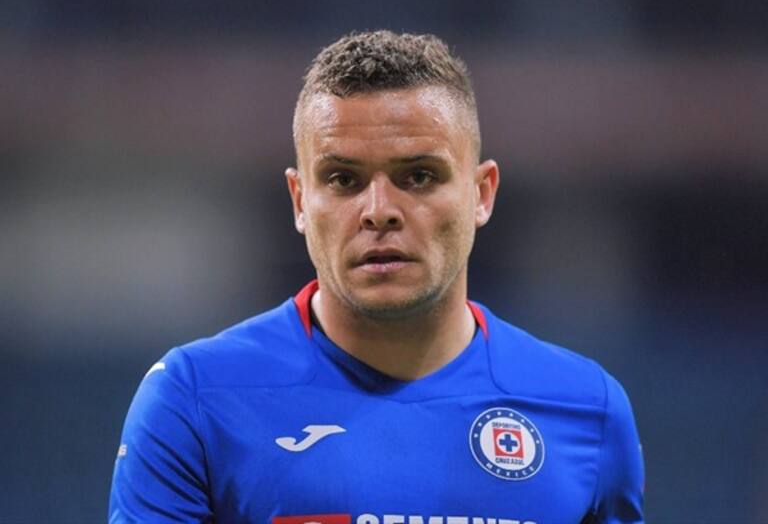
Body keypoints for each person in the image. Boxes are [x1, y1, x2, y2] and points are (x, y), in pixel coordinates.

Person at [109, 31, 644, 524]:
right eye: (343, 179)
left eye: (419, 176)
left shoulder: (588, 410)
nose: (379, 210)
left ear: (481, 194)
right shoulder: (196, 399)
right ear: (300, 200)